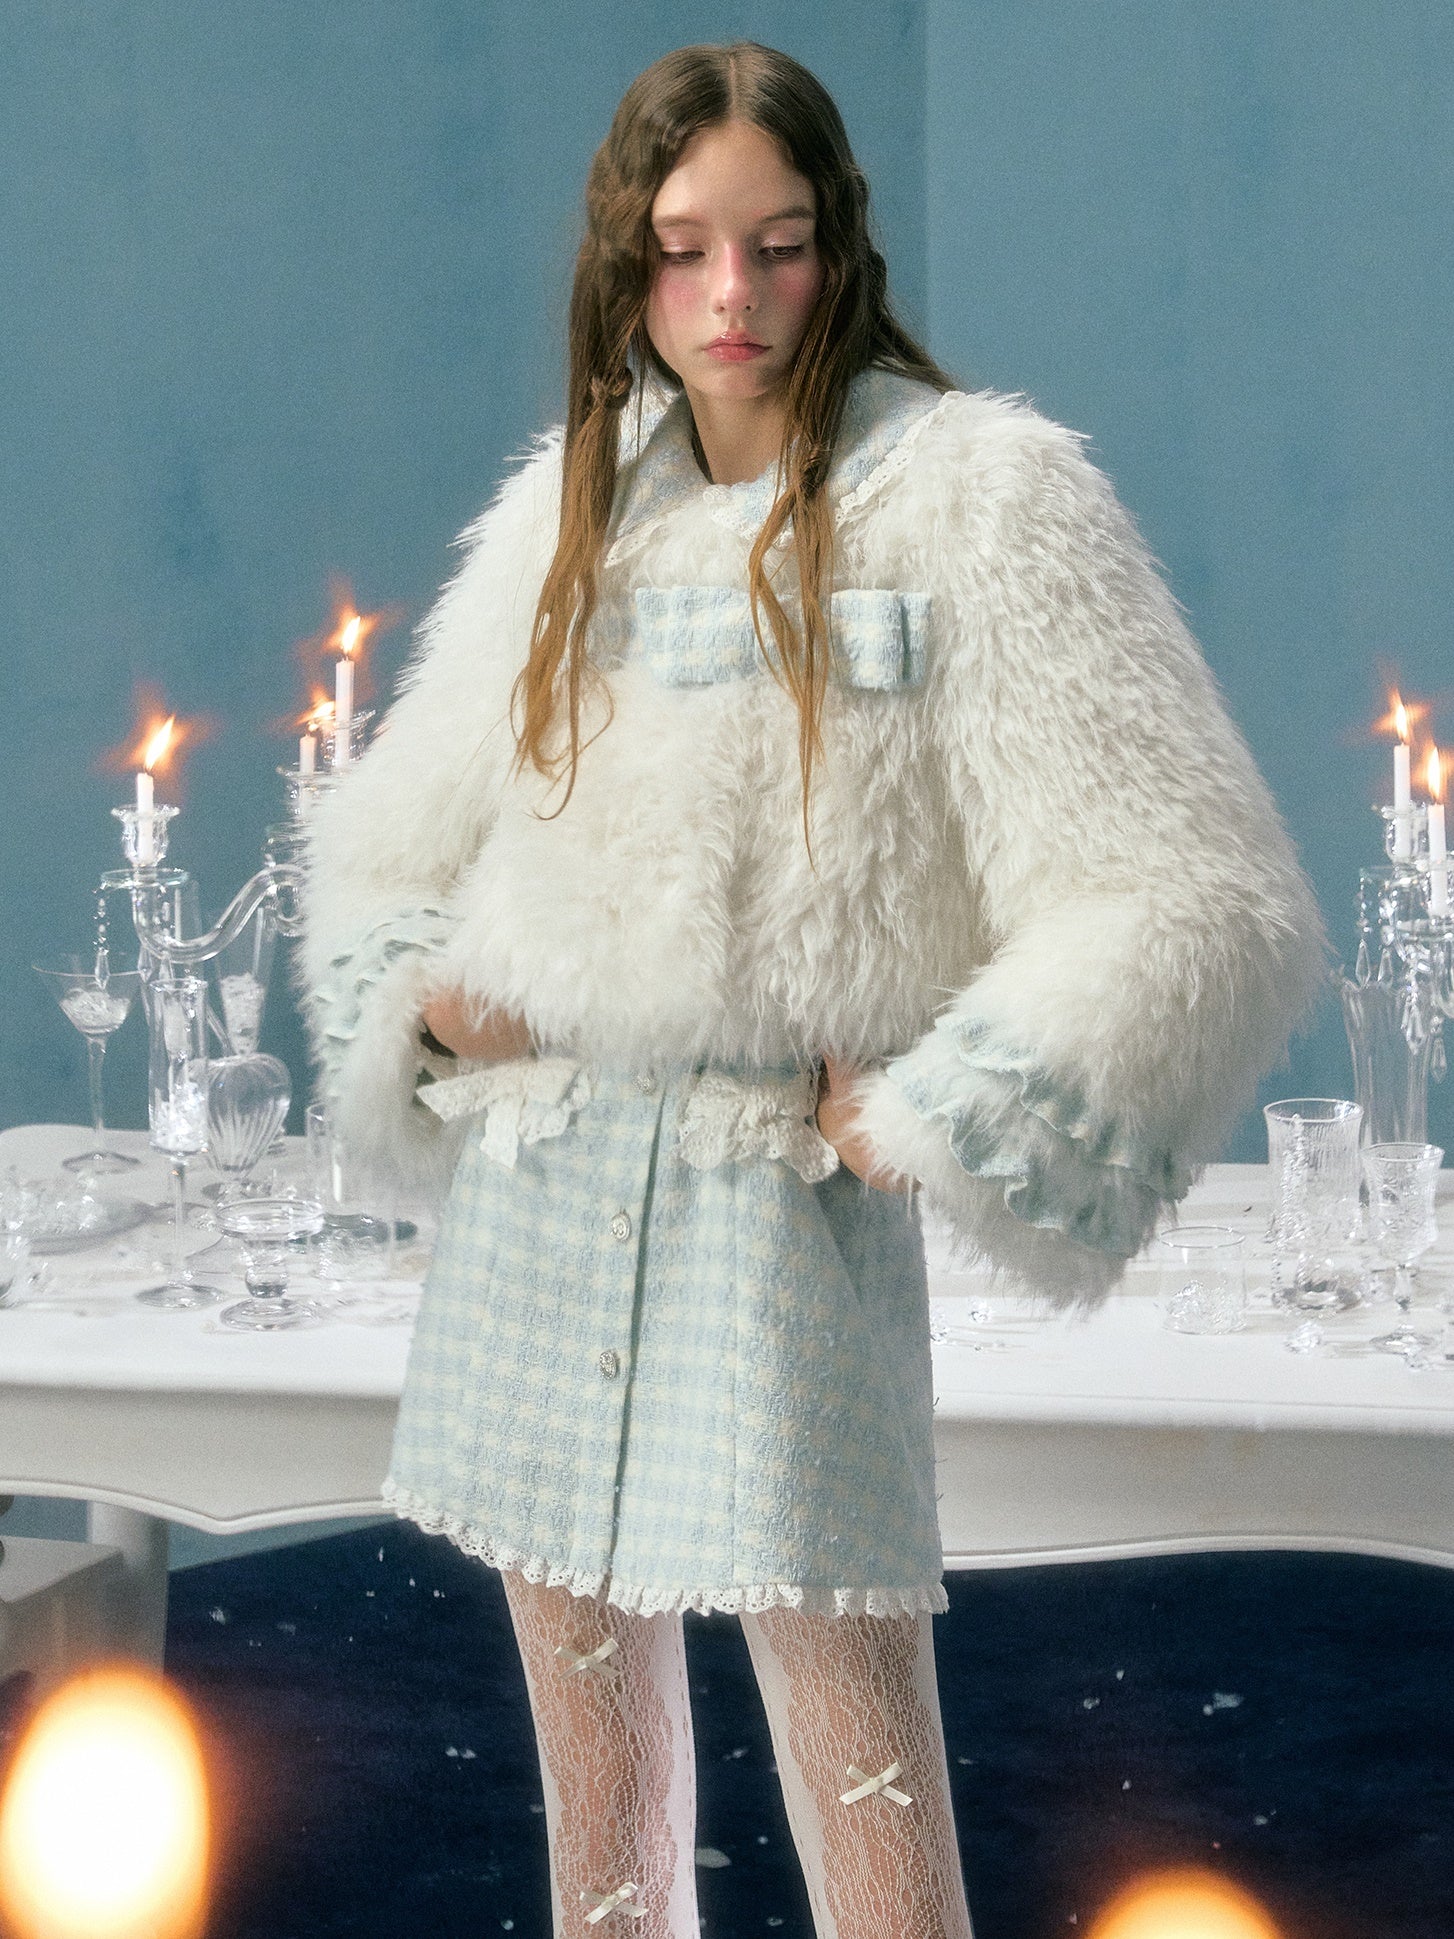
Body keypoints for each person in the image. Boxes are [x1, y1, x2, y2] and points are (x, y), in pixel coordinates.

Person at [300, 40, 1323, 1939]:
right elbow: (389, 845)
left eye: (773, 246)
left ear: (834, 247)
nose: (731, 299)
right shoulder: (568, 507)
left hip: (772, 1214)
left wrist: (931, 1105)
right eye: (683, 250)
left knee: (861, 1767)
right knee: (597, 1801)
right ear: (627, 262)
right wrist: (429, 1012)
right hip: (540, 1203)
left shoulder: (981, 501)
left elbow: (1201, 893)